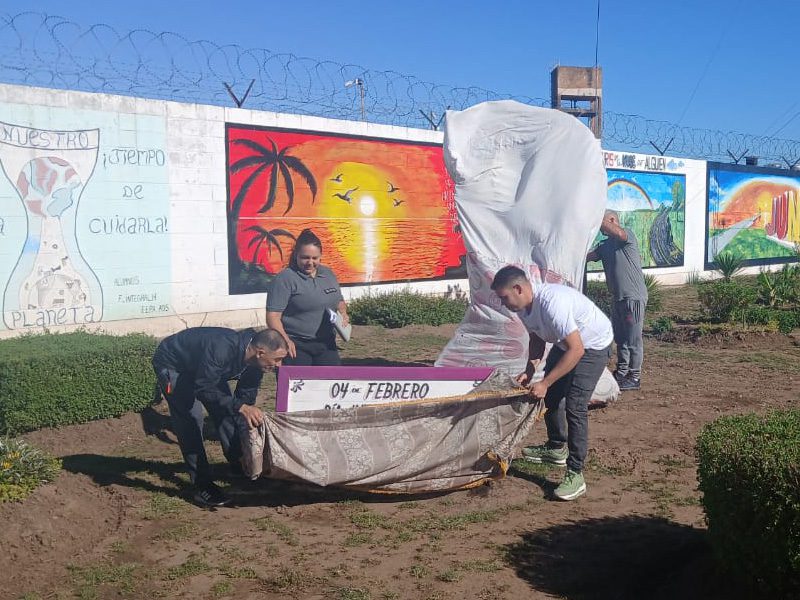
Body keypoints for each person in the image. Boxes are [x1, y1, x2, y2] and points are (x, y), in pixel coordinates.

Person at [491, 266, 612, 501]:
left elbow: (577, 350)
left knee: (575, 406)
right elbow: (537, 339)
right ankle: (557, 448)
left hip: (592, 346)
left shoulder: (552, 304)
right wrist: (529, 371)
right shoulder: (523, 307)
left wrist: (545, 382)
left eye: (504, 297)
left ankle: (575, 474)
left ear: (518, 289)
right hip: (567, 345)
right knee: (552, 397)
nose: (504, 304)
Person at [152, 327, 288, 507]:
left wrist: (244, 443)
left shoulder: (256, 364)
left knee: (227, 411)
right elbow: (203, 388)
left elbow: (243, 400)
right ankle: (203, 486)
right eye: (277, 359)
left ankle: (240, 466)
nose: (279, 365)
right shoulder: (221, 348)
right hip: (174, 365)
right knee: (191, 421)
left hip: (206, 371)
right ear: (260, 352)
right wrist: (240, 407)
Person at [266, 229, 349, 366]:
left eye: (314, 258)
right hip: (296, 345)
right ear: (296, 255)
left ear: (320, 256)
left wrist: (343, 313)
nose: (310, 262)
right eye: (305, 257)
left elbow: (339, 300)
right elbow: (273, 316)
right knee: (300, 381)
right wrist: (286, 341)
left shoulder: (328, 274)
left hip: (326, 343)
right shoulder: (285, 279)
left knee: (331, 379)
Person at [587, 210, 648, 391]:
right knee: (621, 339)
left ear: (612, 220)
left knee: (633, 339)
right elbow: (588, 257)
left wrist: (595, 215)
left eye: (603, 223)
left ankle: (634, 376)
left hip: (632, 297)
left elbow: (619, 233)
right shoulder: (605, 246)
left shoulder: (626, 236)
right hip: (618, 298)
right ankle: (622, 373)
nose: (600, 228)